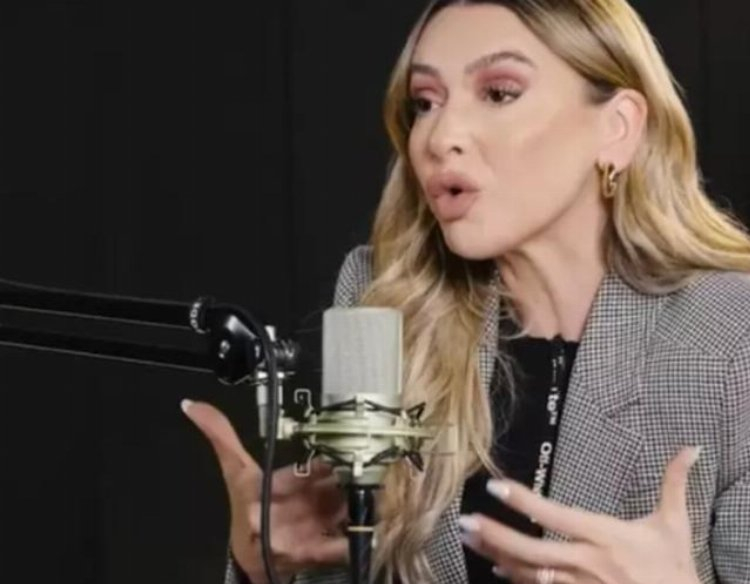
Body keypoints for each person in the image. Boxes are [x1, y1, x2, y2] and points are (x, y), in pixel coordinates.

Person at [182, 0, 750, 582]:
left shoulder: (732, 336)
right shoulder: (386, 303)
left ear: (617, 127)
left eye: (499, 93)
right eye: (425, 103)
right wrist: (263, 568)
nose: (440, 136)